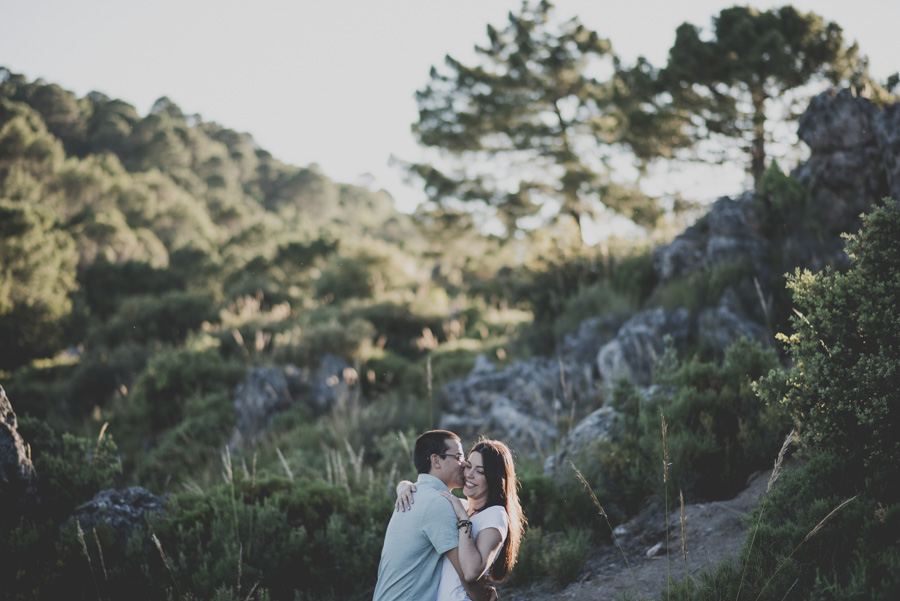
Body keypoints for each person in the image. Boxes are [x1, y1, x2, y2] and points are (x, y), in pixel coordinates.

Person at [395, 437, 525, 601]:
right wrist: (404, 486)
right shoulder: (461, 505)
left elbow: (471, 572)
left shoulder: (495, 515)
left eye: (480, 471)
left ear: (494, 478)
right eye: (468, 466)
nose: (469, 475)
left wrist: (464, 519)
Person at [372, 430, 495, 601]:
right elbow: (466, 576)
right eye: (458, 457)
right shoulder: (437, 504)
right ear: (436, 460)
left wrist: (402, 484)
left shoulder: (415, 494)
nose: (464, 464)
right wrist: (486, 597)